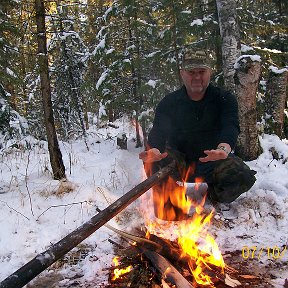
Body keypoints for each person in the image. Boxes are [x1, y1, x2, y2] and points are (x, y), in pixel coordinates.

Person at [139, 49, 256, 220]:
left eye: (201, 72)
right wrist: (154, 149)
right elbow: (158, 131)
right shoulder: (169, 103)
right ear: (182, 74)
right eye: (191, 72)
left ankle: (212, 195)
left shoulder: (224, 99)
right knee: (154, 163)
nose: (196, 77)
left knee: (242, 176)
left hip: (213, 159)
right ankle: (172, 207)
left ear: (210, 72)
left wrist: (223, 148)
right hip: (179, 161)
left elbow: (230, 126)